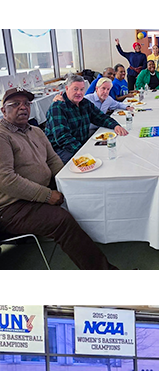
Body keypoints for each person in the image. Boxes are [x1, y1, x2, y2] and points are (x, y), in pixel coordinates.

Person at [0, 87, 122, 271]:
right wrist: (48, 196)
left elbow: (53, 160)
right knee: (61, 221)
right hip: (13, 206)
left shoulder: (35, 131)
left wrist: (68, 181)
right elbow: (6, 180)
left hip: (40, 188)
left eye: (26, 103)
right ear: (3, 110)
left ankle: (105, 237)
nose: (23, 107)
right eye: (15, 104)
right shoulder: (2, 136)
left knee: (84, 190)